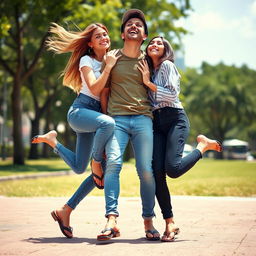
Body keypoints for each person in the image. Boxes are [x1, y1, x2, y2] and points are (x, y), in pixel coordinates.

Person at [31, 22, 120, 238]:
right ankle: (96, 161)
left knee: (83, 170)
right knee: (107, 130)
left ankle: (65, 210)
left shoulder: (111, 60)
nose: (104, 38)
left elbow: (105, 96)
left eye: (105, 34)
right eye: (98, 36)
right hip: (80, 113)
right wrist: (108, 67)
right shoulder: (86, 60)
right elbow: (95, 88)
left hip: (97, 117)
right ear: (90, 43)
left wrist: (106, 140)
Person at [138, 36, 223, 242]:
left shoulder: (167, 65)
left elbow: (173, 93)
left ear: (166, 50)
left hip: (175, 118)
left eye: (160, 43)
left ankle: (202, 146)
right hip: (156, 123)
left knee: (173, 170)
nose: (154, 45)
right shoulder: (149, 69)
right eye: (151, 43)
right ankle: (170, 223)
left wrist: (148, 83)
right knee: (157, 172)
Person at [96, 9, 159, 241]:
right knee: (113, 164)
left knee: (145, 170)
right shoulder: (111, 58)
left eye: (138, 25)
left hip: (143, 119)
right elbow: (104, 91)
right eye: (129, 24)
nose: (133, 26)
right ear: (123, 34)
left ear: (144, 36)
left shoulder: (150, 61)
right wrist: (106, 120)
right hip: (117, 120)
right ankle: (111, 220)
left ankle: (148, 221)